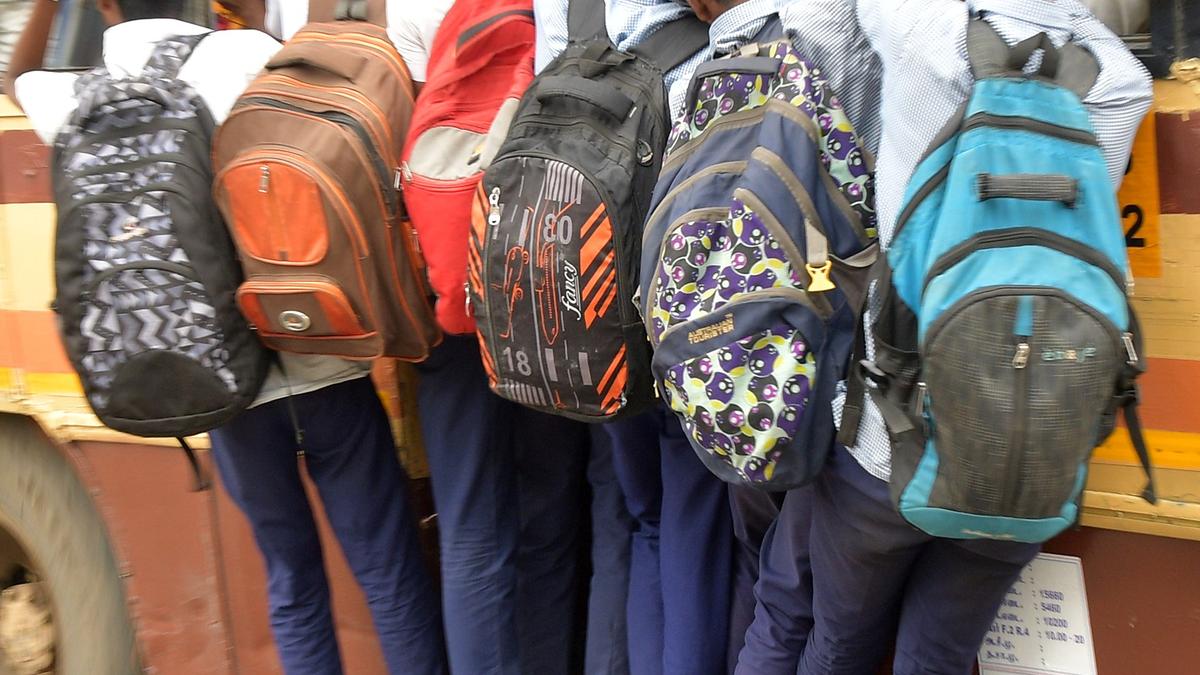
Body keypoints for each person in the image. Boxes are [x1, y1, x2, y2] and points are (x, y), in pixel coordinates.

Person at [6, 2, 446, 673]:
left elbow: (16, 77)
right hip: (316, 354)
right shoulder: (244, 56)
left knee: (292, 582)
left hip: (223, 378)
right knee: (388, 573)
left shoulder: (79, 94)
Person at [738, 1, 1153, 674]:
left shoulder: (919, 29)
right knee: (941, 655)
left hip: (890, 439)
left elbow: (813, 27)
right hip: (1034, 456)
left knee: (837, 644)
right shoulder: (1122, 80)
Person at [536, 1, 882, 673]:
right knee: (700, 532)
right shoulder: (751, 48)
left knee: (643, 521)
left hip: (600, 313)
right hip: (712, 342)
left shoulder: (578, 16)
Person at [267, 1, 607, 672]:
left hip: (444, 289)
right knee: (550, 510)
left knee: (472, 527)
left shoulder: (374, 13)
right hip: (544, 279)